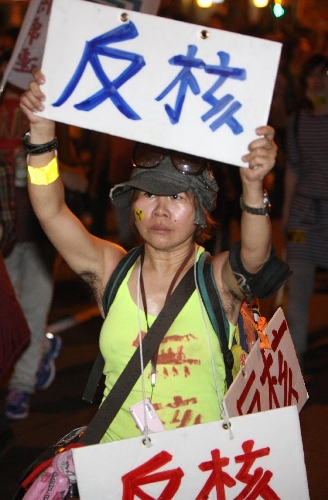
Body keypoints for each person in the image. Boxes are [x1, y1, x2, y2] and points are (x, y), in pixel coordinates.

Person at [19, 68, 283, 445]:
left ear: (201, 214)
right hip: (117, 464)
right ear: (133, 205)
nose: (160, 210)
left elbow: (254, 258)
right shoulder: (109, 268)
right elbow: (51, 212)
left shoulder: (215, 277)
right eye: (148, 195)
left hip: (201, 467)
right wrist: (42, 136)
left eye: (177, 198)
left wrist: (254, 188)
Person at [0, 50, 62, 420]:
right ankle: (30, 363)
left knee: (33, 311)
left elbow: (71, 175)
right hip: (5, 229)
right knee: (10, 312)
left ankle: (19, 388)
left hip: (40, 231)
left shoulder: (49, 112)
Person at [281, 53, 328, 368]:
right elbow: (293, 170)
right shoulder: (297, 121)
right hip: (302, 217)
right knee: (296, 292)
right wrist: (285, 216)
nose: (317, 81)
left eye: (323, 75)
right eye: (311, 76)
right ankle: (294, 367)